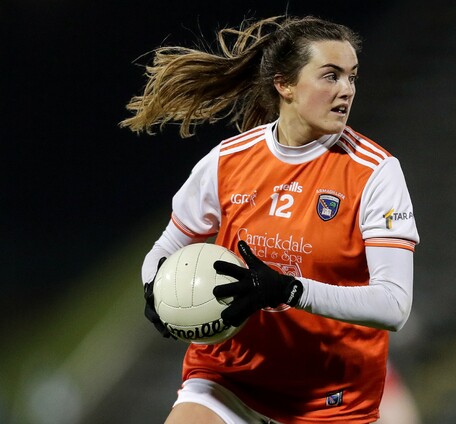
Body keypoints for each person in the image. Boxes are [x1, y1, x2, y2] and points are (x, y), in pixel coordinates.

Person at [121, 15, 419, 424]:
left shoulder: (375, 173)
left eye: (351, 77)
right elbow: (169, 246)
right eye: (330, 76)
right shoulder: (228, 160)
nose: (346, 90)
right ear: (285, 84)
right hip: (229, 379)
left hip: (330, 400)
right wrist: (154, 288)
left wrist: (290, 290)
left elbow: (394, 304)